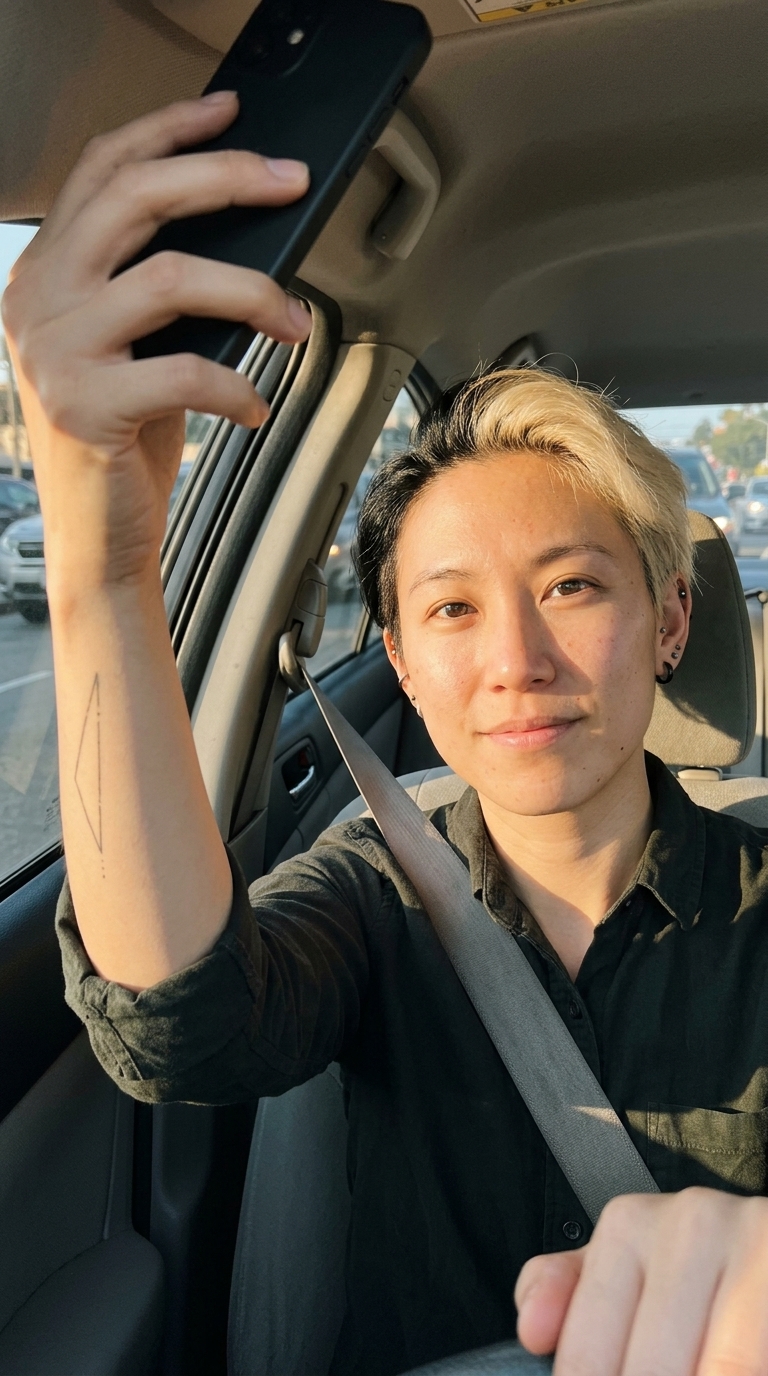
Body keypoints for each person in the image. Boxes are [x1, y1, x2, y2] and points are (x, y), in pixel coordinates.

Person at [5, 94, 768, 1376]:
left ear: (671, 619)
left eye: (573, 585)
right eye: (454, 609)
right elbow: (178, 1024)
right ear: (403, 663)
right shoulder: (375, 885)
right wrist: (105, 572)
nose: (516, 659)